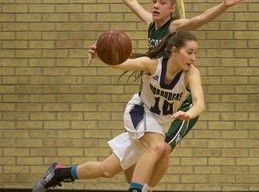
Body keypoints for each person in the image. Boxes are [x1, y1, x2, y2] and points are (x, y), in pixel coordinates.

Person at [90, 0, 247, 191]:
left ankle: (141, 189)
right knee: (148, 152)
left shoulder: (174, 26)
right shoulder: (150, 24)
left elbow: (200, 19)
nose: (155, 5)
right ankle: (137, 184)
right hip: (158, 98)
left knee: (160, 148)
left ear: (172, 8)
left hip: (180, 102)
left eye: (162, 2)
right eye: (154, 1)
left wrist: (224, 5)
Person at [32, 31, 205, 192]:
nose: (194, 57)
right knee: (159, 147)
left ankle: (59, 173)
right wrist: (102, 53)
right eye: (189, 52)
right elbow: (120, 64)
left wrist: (189, 114)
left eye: (195, 53)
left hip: (159, 124)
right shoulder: (152, 65)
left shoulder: (191, 74)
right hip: (139, 112)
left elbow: (199, 103)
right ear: (174, 51)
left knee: (107, 170)